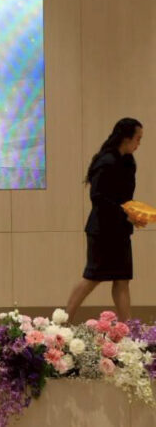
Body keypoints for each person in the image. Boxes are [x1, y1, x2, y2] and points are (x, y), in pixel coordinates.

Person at [65, 117, 144, 322]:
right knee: (92, 278)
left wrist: (135, 214)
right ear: (126, 138)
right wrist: (125, 213)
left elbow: (126, 198)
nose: (139, 143)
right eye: (137, 138)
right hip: (102, 230)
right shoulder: (105, 161)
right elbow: (98, 198)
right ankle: (61, 322)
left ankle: (127, 329)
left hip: (121, 230)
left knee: (122, 279)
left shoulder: (128, 162)